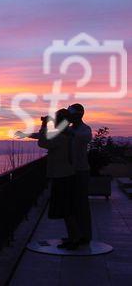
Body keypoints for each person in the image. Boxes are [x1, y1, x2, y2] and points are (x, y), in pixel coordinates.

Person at [16, 109, 80, 249]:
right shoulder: (67, 134)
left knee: (66, 210)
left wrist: (44, 125)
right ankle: (73, 237)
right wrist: (27, 134)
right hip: (67, 174)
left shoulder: (60, 137)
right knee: (68, 209)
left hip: (62, 176)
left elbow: (43, 142)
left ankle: (74, 239)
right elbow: (43, 137)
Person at [67, 103, 93, 244]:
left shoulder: (85, 129)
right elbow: (49, 136)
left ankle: (85, 235)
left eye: (71, 114)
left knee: (82, 204)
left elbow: (86, 138)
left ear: (78, 115)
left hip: (81, 171)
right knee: (72, 205)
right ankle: (76, 234)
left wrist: (69, 132)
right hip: (70, 172)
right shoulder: (69, 130)